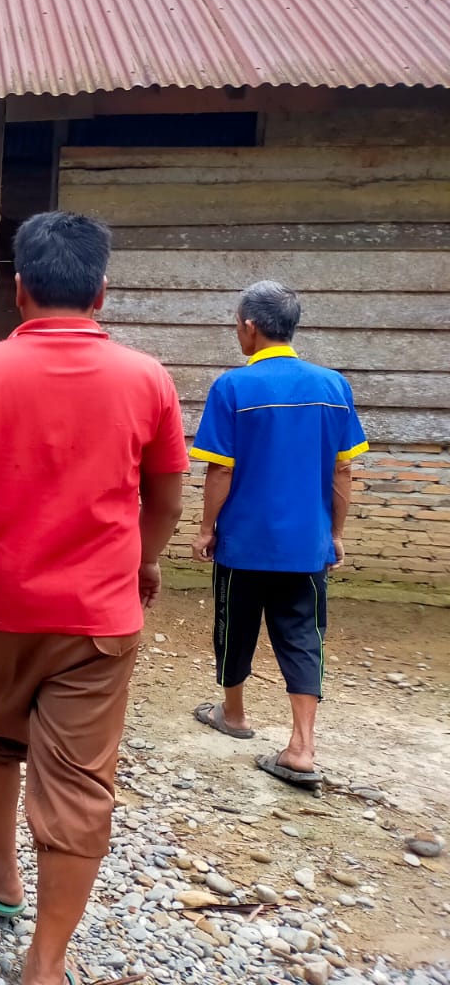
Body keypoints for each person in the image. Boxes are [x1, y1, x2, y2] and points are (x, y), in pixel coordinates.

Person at [0, 212, 187, 985]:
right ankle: (46, 965)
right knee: (81, 783)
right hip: (100, 615)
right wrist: (145, 562)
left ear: (19, 289)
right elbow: (166, 500)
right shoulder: (149, 378)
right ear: (101, 291)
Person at [189, 281, 366, 790]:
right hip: (306, 545)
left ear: (250, 326)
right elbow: (342, 472)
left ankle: (235, 715)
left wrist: (206, 529)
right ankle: (302, 746)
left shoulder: (233, 388)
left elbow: (221, 471)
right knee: (304, 637)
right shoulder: (333, 386)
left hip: (243, 543)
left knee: (235, 627)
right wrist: (335, 533)